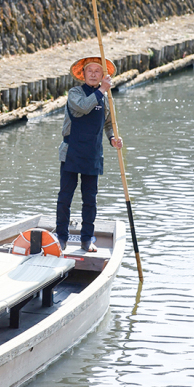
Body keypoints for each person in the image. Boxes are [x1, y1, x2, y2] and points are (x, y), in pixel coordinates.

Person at [55, 55, 123, 254]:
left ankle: (87, 240)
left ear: (103, 75)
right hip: (71, 151)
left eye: (97, 72)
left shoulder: (107, 98)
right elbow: (83, 107)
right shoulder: (75, 93)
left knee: (90, 199)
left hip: (93, 153)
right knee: (65, 197)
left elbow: (109, 124)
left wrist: (113, 139)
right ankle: (61, 238)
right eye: (90, 71)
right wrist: (103, 89)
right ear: (83, 74)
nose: (93, 75)